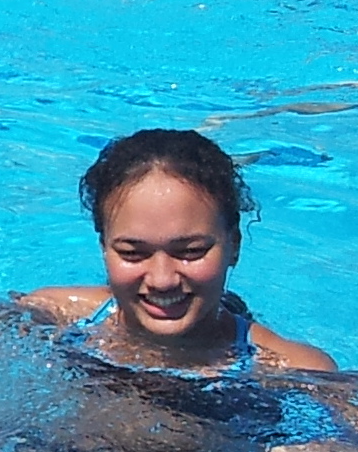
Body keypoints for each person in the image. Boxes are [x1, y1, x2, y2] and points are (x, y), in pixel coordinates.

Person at [19, 130, 334, 374]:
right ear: (104, 247)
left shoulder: (293, 371)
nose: (162, 280)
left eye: (191, 251)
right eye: (132, 253)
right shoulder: (47, 316)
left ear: (234, 246)